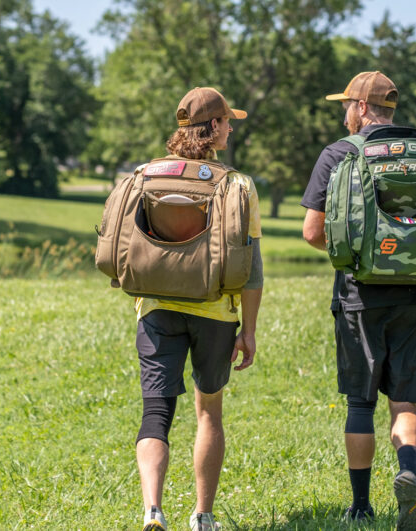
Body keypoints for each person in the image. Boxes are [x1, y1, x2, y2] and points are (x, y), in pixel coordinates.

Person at [300, 71, 416, 530]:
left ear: (359, 108)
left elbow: (313, 232)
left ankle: (360, 505)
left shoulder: (339, 153)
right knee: (405, 397)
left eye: (346, 105)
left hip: (360, 294)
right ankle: (408, 472)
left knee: (361, 402)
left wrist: (355, 250)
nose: (344, 112)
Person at [135, 87, 264, 531]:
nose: (230, 128)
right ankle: (203, 515)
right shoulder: (236, 184)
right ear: (211, 127)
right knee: (208, 410)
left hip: (155, 308)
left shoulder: (148, 175)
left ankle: (152, 508)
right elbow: (252, 271)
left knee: (155, 412)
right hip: (215, 312)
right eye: (227, 121)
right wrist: (249, 330)